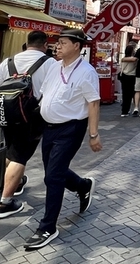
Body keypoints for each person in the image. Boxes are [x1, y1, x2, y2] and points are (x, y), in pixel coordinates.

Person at [24, 29, 101, 250]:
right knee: (53, 171)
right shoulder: (53, 66)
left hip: (71, 128)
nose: (57, 46)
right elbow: (44, 94)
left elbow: (93, 103)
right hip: (48, 127)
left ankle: (48, 227)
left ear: (77, 46)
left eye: (63, 43)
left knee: (53, 177)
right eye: (57, 42)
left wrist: (93, 134)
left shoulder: (87, 72)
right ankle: (83, 186)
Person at [0, 31, 54, 219]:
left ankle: (16, 183)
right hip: (33, 116)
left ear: (27, 43)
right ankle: (5, 203)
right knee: (19, 156)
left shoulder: (9, 61)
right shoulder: (50, 63)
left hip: (7, 114)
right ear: (45, 45)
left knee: (12, 150)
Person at [119, 44, 138, 117]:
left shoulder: (123, 59)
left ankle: (124, 111)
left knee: (125, 94)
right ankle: (132, 109)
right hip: (131, 77)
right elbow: (135, 60)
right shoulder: (134, 59)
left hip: (124, 76)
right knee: (131, 94)